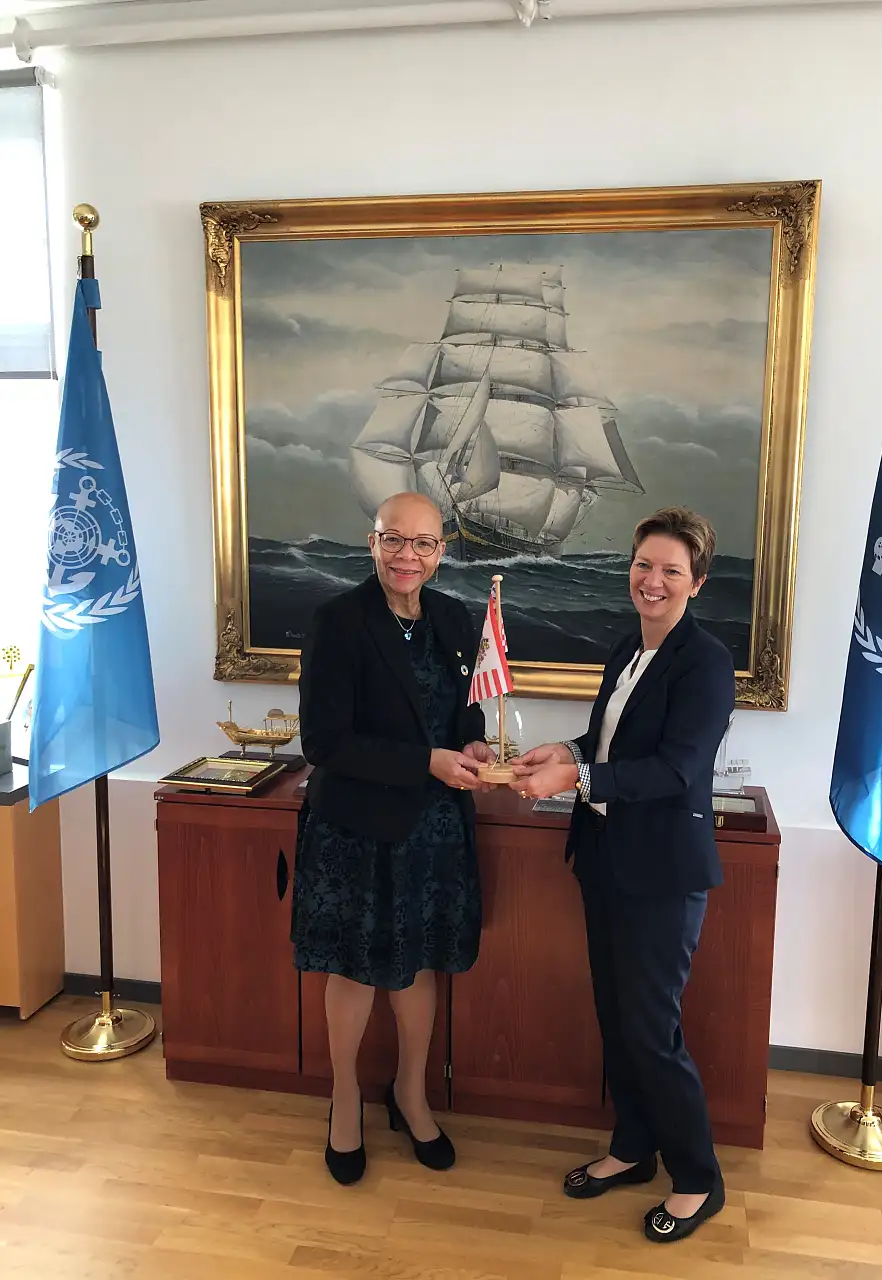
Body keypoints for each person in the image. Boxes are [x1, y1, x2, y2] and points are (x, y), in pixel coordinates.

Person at [510, 506, 734, 1244]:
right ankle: (635, 1148)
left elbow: (675, 768)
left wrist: (577, 780)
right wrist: (563, 753)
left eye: (671, 570)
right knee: (619, 1018)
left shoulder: (703, 662)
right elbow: (607, 739)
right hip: (606, 861)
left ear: (696, 582)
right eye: (644, 565)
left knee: (651, 1028)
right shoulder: (625, 650)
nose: (653, 580)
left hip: (664, 875)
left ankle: (698, 1177)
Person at [292, 491, 495, 1186]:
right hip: (358, 827)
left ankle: (410, 1093)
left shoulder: (455, 617)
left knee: (422, 962)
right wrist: (426, 763)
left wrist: (473, 747)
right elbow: (324, 742)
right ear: (371, 541)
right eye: (395, 540)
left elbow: (461, 712)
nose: (408, 555)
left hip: (435, 828)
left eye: (424, 544)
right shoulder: (337, 621)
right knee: (355, 969)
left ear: (442, 552)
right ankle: (343, 1098)